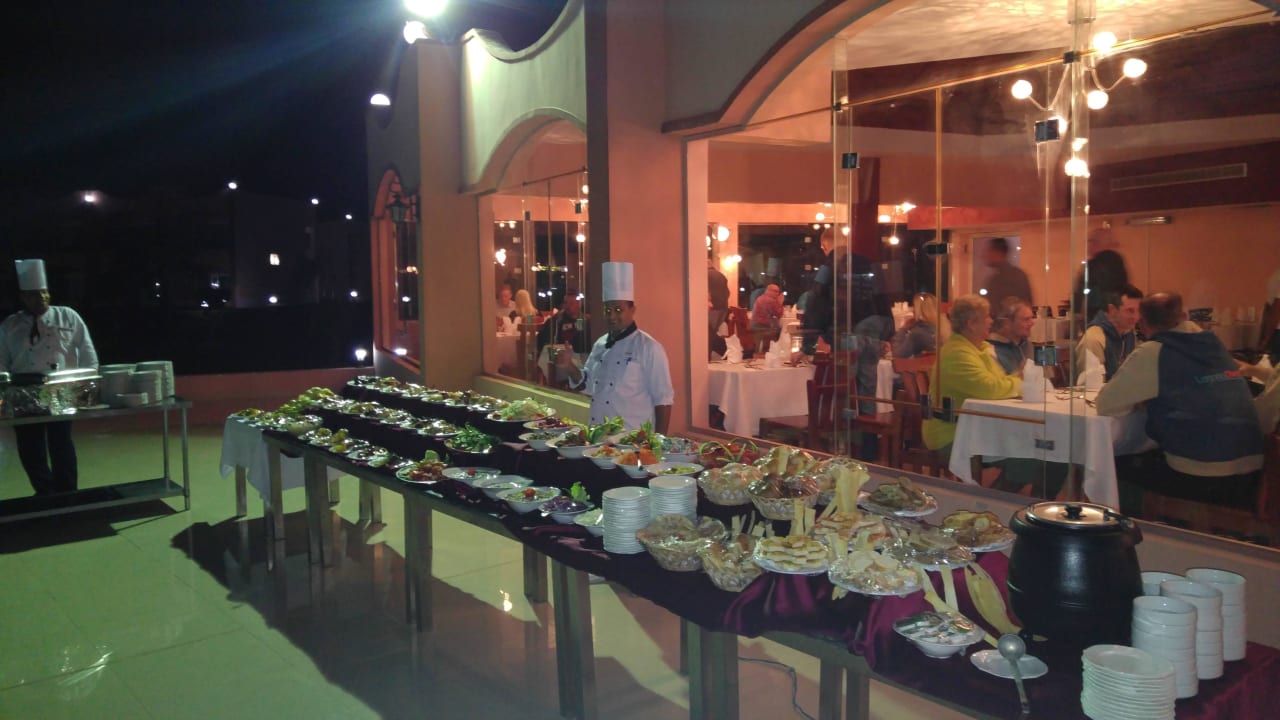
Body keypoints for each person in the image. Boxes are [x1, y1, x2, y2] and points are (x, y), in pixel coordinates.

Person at [1097, 293, 1263, 515]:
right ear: (1184, 316)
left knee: (1114, 465)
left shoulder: (1155, 351)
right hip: (1252, 468)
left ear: (1143, 324)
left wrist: (1143, 401)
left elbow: (1106, 404)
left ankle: (1139, 529)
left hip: (1202, 470)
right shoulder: (1213, 344)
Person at [0, 259, 99, 495]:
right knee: (30, 447)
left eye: (44, 292)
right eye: (35, 294)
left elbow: (88, 353)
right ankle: (45, 492)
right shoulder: (10, 325)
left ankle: (67, 492)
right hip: (23, 390)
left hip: (60, 387)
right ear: (24, 297)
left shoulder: (68, 316)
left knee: (61, 443)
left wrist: (88, 385)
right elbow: (1, 360)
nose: (42, 298)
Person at [557, 262, 674, 432]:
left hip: (632, 438)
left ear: (632, 310)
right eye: (607, 310)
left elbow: (663, 401)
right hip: (598, 435)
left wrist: (659, 441)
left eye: (618, 310)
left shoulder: (649, 348)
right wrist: (569, 367)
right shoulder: (600, 344)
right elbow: (587, 385)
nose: (612, 316)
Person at [923, 294, 1021, 464]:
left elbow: (999, 381)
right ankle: (1001, 482)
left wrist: (1015, 381)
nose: (991, 321)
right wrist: (1022, 382)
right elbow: (990, 389)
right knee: (1031, 455)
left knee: (1035, 448)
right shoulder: (957, 353)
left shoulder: (979, 349)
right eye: (987, 317)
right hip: (951, 434)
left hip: (975, 428)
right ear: (971, 324)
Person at [1075, 284, 1142, 381]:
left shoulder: (1129, 334)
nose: (1136, 317)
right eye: (1130, 311)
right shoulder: (1093, 340)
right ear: (1112, 310)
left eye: (1139, 310)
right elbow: (1093, 385)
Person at [1074, 226, 1130, 321]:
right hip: (1114, 312)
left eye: (1090, 241)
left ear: (1097, 243)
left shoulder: (1096, 264)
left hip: (1099, 313)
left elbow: (1083, 289)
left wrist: (1077, 311)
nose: (1088, 246)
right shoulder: (1116, 261)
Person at [981, 237, 1032, 310]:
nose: (984, 255)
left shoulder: (1014, 276)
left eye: (989, 251)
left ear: (998, 253)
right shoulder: (995, 278)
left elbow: (1023, 307)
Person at [988, 296, 1034, 374]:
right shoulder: (991, 351)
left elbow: (1047, 376)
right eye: (1026, 319)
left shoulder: (1028, 344)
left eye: (1031, 318)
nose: (1032, 323)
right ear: (1007, 323)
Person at [892, 292, 946, 358]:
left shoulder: (917, 334)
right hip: (939, 364)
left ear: (919, 310)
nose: (912, 310)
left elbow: (897, 354)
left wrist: (903, 329)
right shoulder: (944, 329)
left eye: (914, 307)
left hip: (921, 364)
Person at [708, 263, 730, 357]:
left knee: (707, 334)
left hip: (712, 308)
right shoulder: (721, 276)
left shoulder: (706, 275)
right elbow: (727, 293)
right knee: (711, 333)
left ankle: (706, 357)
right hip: (722, 309)